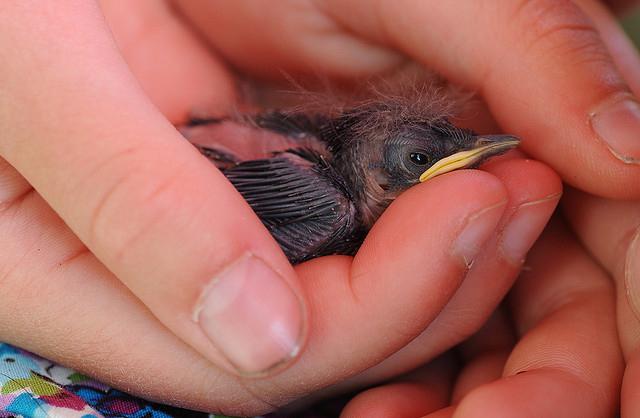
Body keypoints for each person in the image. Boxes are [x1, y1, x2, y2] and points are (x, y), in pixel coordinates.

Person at [0, 1, 637, 416]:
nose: (439, 169)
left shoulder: (327, 162)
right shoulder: (329, 207)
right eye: (416, 164)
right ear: (369, 171)